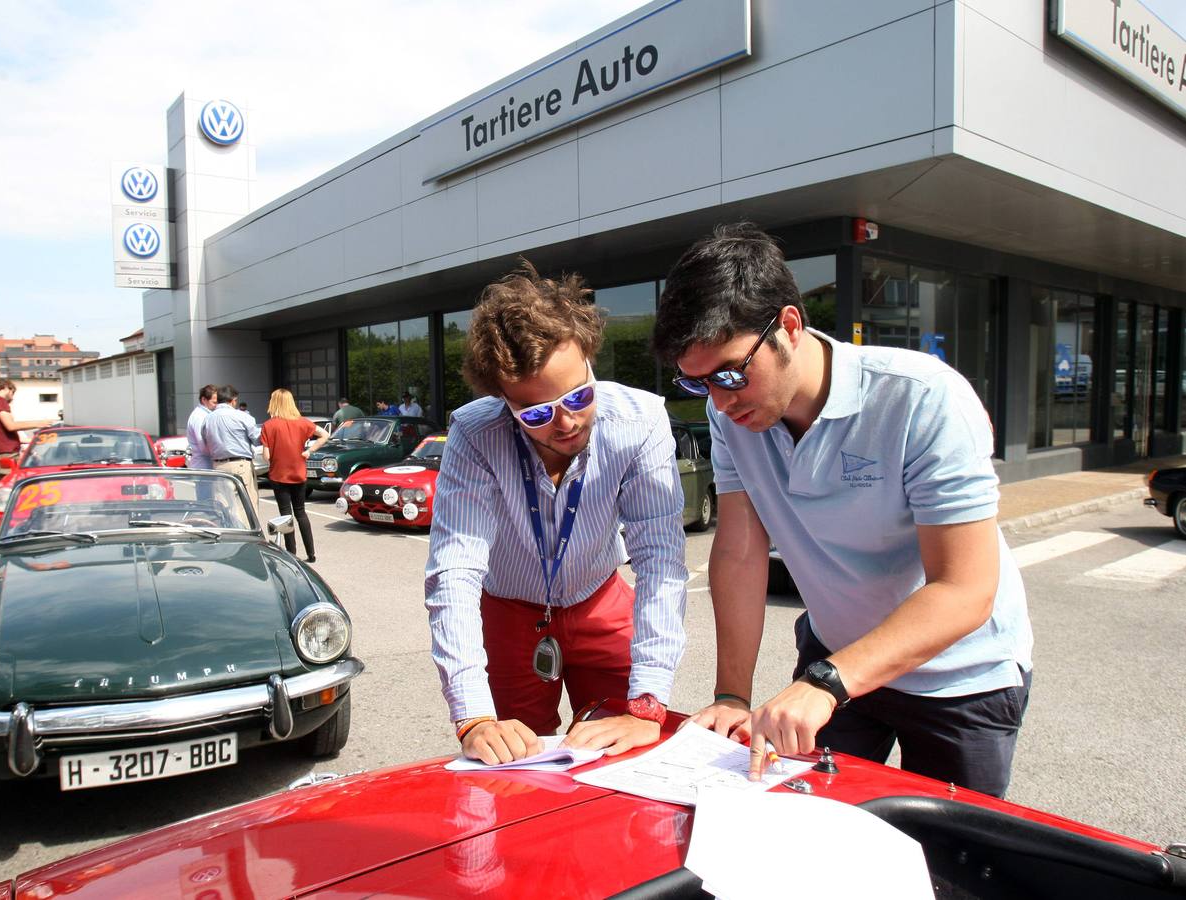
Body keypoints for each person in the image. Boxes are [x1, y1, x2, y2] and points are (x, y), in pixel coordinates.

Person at [651, 223, 1033, 798]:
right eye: (698, 382)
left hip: (960, 676)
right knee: (817, 833)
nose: (722, 401)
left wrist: (827, 682)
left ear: (789, 326)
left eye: (731, 373)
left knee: (951, 867)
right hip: (835, 656)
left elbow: (964, 588)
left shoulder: (921, 397)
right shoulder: (730, 415)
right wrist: (732, 695)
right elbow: (739, 551)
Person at [424, 262, 688, 766]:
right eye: (537, 414)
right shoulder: (475, 434)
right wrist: (473, 716)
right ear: (503, 402)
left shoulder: (641, 421)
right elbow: (455, 571)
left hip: (600, 599)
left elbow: (660, 560)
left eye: (579, 396)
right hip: (507, 609)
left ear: (590, 359)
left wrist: (649, 702)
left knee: (626, 753)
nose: (565, 422)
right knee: (514, 762)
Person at [260, 388, 329, 562]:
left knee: (286, 514)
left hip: (278, 474)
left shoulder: (269, 425)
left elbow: (267, 456)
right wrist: (309, 451)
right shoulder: (302, 422)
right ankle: (311, 553)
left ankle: (292, 554)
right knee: (301, 512)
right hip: (299, 473)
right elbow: (325, 435)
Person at [203, 384, 263, 511]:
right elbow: (257, 439)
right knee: (246, 507)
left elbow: (205, 440)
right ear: (233, 400)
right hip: (240, 464)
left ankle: (228, 531)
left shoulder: (207, 419)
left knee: (224, 508)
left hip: (218, 466)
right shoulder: (243, 417)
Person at [0, 379, 53, 478]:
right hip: (4, 453)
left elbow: (3, 433)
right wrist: (39, 423)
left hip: (0, 452)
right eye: (12, 393)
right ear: (6, 388)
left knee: (9, 484)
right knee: (10, 485)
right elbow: (11, 426)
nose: (12, 397)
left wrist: (31, 440)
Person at [185, 384, 218, 469]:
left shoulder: (204, 414)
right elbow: (203, 446)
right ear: (204, 399)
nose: (216, 405)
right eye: (214, 402)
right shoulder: (200, 417)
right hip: (203, 466)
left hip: (204, 464)